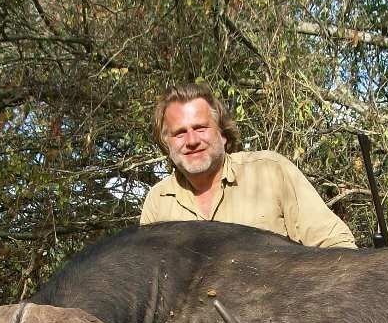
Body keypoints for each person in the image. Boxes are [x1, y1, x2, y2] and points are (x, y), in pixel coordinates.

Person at [141, 83, 357, 248]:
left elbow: (336, 246)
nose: (191, 140)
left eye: (200, 128)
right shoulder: (158, 202)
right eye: (179, 133)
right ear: (165, 142)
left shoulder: (270, 171)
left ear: (223, 134)